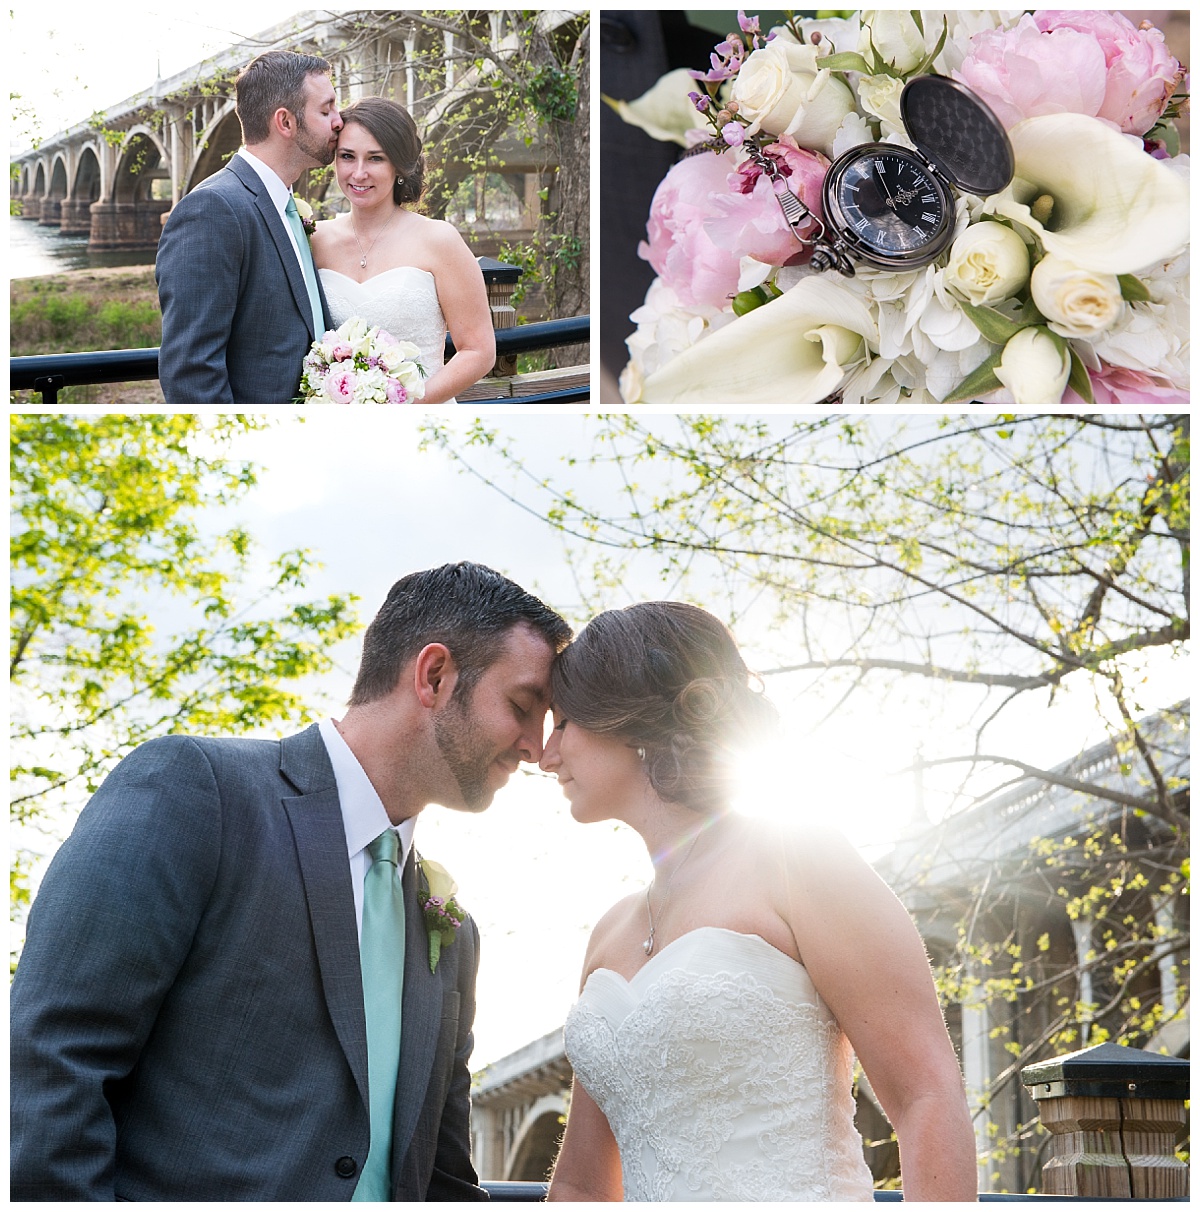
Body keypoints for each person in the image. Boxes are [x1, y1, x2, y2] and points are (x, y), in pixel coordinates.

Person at [10, 562, 572, 1201]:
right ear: (435, 676)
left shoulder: (454, 930)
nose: (536, 747)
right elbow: (54, 1060)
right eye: (523, 707)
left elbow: (441, 1176)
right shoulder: (196, 793)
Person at [541, 602, 978, 1202]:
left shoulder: (798, 859)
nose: (546, 754)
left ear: (630, 723)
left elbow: (924, 1096)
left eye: (563, 724)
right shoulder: (609, 934)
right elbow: (579, 1184)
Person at [156, 50, 342, 403]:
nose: (339, 121)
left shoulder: (288, 207)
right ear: (285, 123)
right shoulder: (211, 209)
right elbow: (191, 373)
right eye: (326, 109)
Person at [311, 97, 497, 405]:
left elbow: (478, 351)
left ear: (399, 165)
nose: (358, 173)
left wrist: (404, 407)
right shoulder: (315, 240)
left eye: (375, 159)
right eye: (347, 156)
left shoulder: (439, 239)